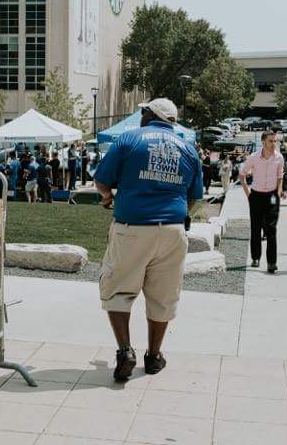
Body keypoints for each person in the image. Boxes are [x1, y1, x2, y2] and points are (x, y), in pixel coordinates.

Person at [93, 98, 203, 382]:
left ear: (148, 115)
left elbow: (102, 179)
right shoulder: (188, 149)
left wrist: (107, 198)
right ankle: (154, 356)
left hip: (132, 226)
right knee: (163, 296)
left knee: (118, 290)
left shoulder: (128, 138)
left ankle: (125, 350)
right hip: (172, 230)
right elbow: (194, 196)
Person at [239, 131, 287, 273]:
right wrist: (249, 194)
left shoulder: (279, 157)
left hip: (272, 196)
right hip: (256, 196)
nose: (274, 144)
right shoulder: (253, 157)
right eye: (271, 141)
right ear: (263, 142)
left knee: (271, 229)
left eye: (275, 141)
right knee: (256, 228)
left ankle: (271, 262)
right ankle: (255, 257)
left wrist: (278, 193)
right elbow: (242, 174)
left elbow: (280, 176)